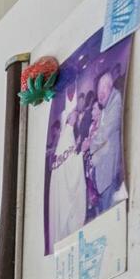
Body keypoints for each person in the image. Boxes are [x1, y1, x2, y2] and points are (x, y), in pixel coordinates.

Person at [48, 83, 88, 246]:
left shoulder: (69, 134)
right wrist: (80, 155)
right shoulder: (67, 135)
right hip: (64, 186)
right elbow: (69, 165)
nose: (76, 118)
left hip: (61, 185)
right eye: (74, 116)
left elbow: (67, 157)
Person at [83, 65, 124, 212]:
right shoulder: (107, 106)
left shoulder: (116, 100)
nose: (100, 94)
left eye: (103, 89)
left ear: (111, 86)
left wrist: (89, 144)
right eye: (99, 90)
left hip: (110, 173)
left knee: (109, 213)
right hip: (102, 175)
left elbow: (106, 131)